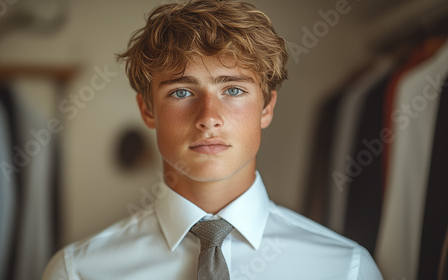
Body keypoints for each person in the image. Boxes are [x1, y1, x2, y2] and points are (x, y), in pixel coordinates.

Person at [42, 0, 383, 279]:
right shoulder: (77, 272)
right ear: (147, 110)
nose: (208, 117)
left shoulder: (347, 270)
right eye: (181, 91)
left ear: (266, 107)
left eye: (233, 90)